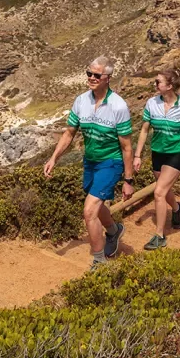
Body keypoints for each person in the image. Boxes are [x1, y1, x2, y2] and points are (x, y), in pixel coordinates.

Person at [44, 56, 134, 269]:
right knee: (97, 203)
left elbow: (127, 147)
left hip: (111, 162)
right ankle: (114, 231)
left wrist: (128, 179)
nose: (91, 78)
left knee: (89, 210)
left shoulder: (118, 106)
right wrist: (53, 158)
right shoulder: (81, 100)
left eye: (96, 75)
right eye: (89, 73)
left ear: (108, 78)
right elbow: (69, 133)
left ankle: (99, 260)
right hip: (90, 161)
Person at [133, 68, 180, 250]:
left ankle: (160, 235)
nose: (155, 84)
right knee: (164, 189)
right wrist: (137, 155)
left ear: (169, 86)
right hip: (157, 152)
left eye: (158, 82)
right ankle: (177, 208)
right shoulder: (151, 103)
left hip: (177, 152)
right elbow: (145, 130)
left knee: (159, 192)